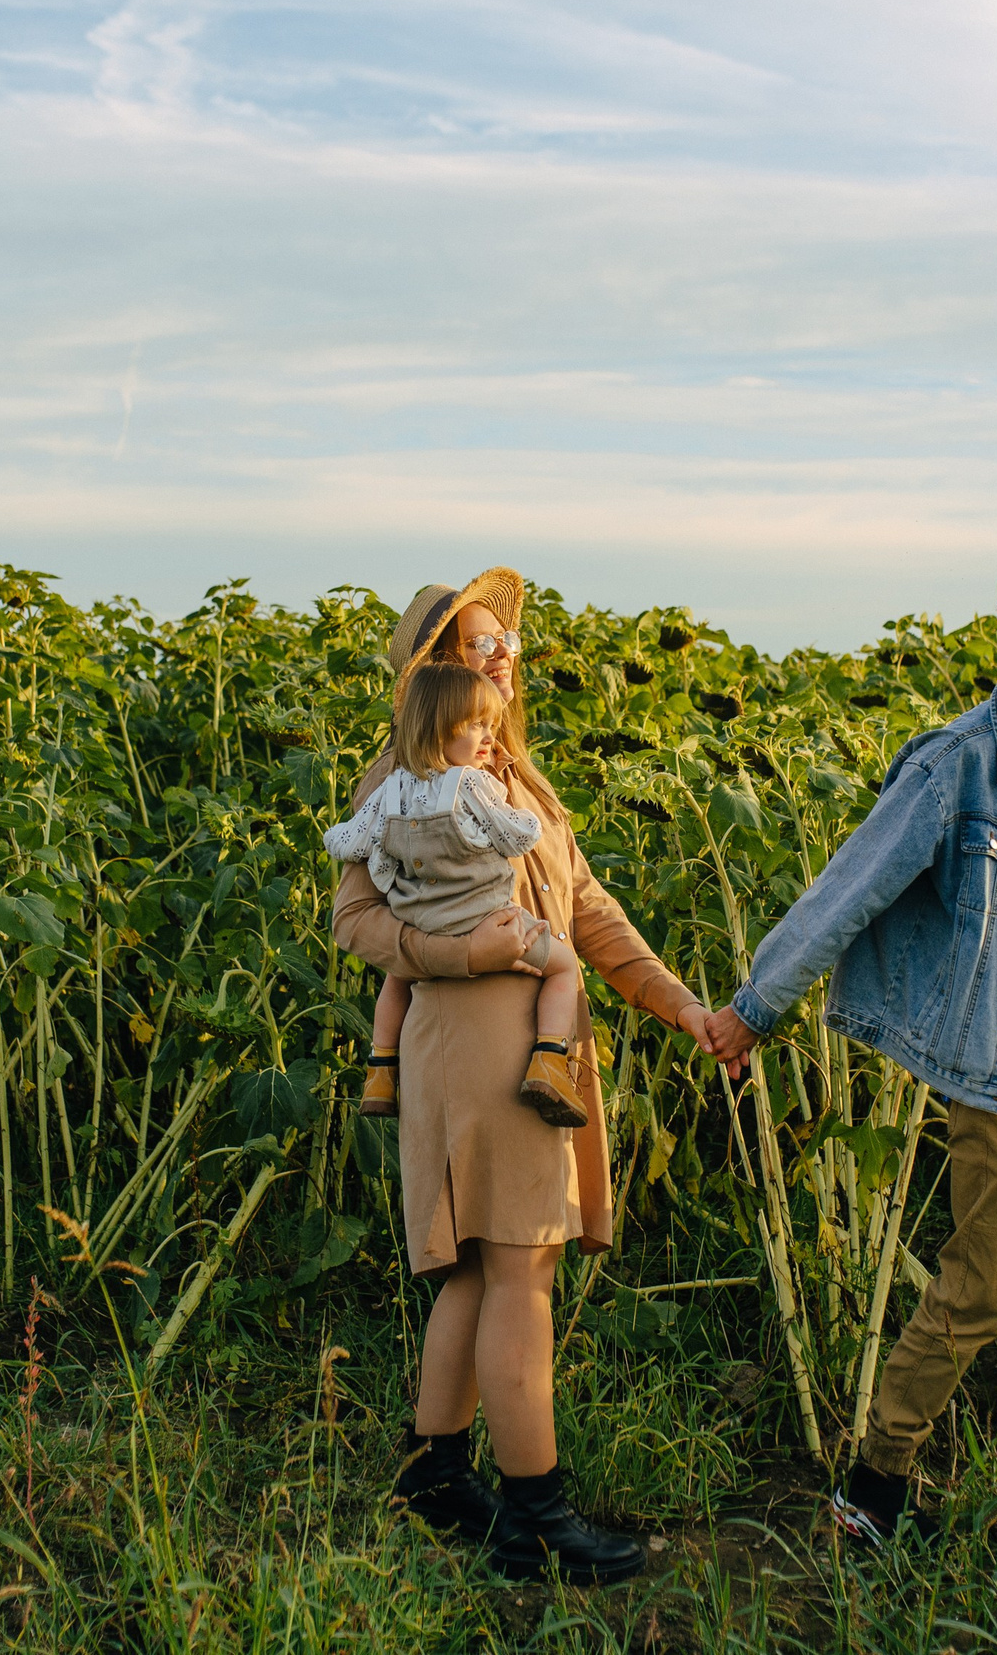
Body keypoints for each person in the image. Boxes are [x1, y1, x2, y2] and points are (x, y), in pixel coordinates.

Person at [701, 543, 997, 1562]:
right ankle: (874, 1480)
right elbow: (851, 886)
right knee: (979, 1293)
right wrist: (752, 1008)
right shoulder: (958, 760)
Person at [331, 568, 721, 1585]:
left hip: (527, 1036)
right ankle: (534, 1513)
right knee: (519, 1266)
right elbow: (357, 923)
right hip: (475, 1038)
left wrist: (676, 1000)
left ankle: (434, 1469)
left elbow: (583, 906)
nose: (503, 653)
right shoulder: (400, 779)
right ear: (433, 669)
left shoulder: (517, 776)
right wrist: (468, 954)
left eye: (506, 639)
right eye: (476, 642)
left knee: (478, 1265)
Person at [326, 662, 592, 1128]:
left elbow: (350, 841)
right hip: (482, 918)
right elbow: (514, 837)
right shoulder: (472, 783)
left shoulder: (390, 791)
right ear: (438, 729)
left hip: (421, 920)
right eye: (477, 726)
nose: (490, 737)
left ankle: (381, 1069)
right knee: (564, 966)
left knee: (396, 980)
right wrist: (527, 819)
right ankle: (550, 1056)